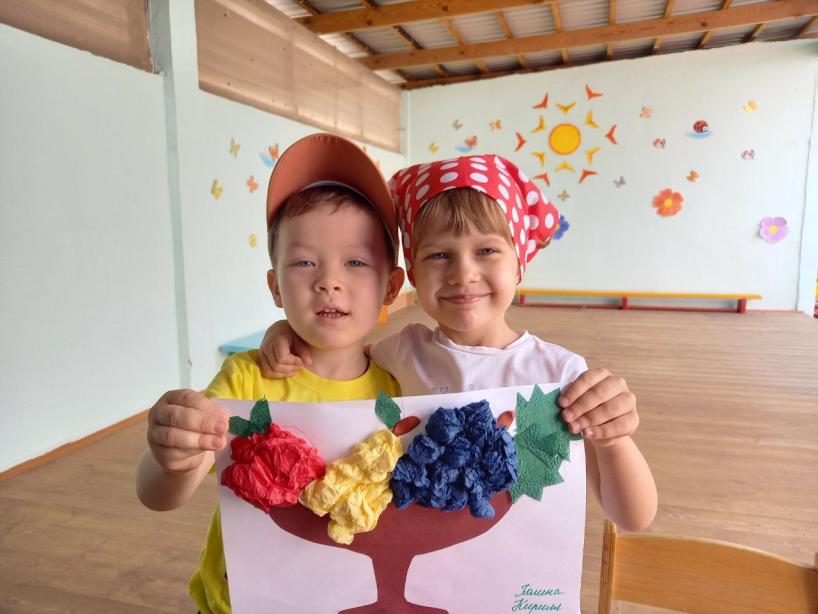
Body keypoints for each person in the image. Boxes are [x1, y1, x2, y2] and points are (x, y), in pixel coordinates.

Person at [257, 154, 657, 531]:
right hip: (424, 561)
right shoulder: (403, 351)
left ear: (519, 264)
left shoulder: (561, 375)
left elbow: (633, 517)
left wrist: (614, 440)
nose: (463, 273)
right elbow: (337, 355)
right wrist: (288, 331)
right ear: (413, 273)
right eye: (438, 255)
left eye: (486, 250)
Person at [135, 133, 405, 613]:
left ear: (391, 286)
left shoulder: (403, 385)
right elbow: (159, 497)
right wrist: (171, 456)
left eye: (355, 261)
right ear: (275, 286)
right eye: (304, 262)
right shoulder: (246, 380)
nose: (329, 280)